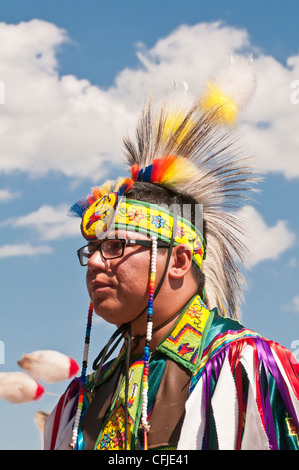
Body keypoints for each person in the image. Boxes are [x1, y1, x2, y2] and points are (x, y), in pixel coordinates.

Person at [43, 56, 299, 450]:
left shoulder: (247, 369)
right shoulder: (81, 401)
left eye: (115, 247)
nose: (95, 262)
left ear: (178, 261)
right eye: (92, 248)